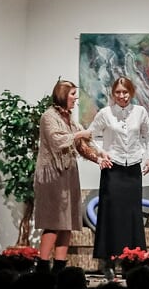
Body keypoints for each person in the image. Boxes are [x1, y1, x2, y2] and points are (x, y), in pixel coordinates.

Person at [34, 79, 109, 274]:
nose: (76, 98)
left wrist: (99, 158)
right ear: (63, 95)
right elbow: (58, 141)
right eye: (73, 94)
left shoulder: (69, 119)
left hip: (68, 175)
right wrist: (79, 135)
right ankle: (42, 267)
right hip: (52, 176)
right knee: (53, 222)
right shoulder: (49, 117)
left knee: (66, 223)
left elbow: (81, 145)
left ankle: (59, 268)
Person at [87, 76, 149, 282]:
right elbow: (89, 136)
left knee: (131, 216)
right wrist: (101, 154)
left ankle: (131, 263)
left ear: (131, 92)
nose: (122, 96)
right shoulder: (105, 113)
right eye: (118, 92)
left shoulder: (140, 112)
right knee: (111, 215)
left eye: (125, 92)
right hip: (112, 169)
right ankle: (107, 263)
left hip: (133, 169)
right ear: (113, 94)